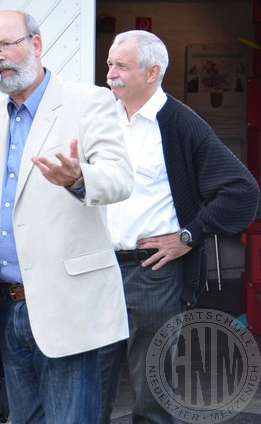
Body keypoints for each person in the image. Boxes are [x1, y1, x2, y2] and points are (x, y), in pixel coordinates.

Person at [0, 10, 134, 423]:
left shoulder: (88, 101)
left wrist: (79, 177)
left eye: (6, 45)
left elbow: (120, 179)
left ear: (36, 44)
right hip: (9, 305)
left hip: (66, 302)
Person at [99, 30, 260, 423]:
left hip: (153, 271)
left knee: (153, 390)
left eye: (121, 65)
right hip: (97, 268)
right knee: (89, 379)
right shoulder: (100, 117)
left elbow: (242, 191)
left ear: (153, 71)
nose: (110, 73)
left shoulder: (181, 123)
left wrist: (188, 237)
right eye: (109, 63)